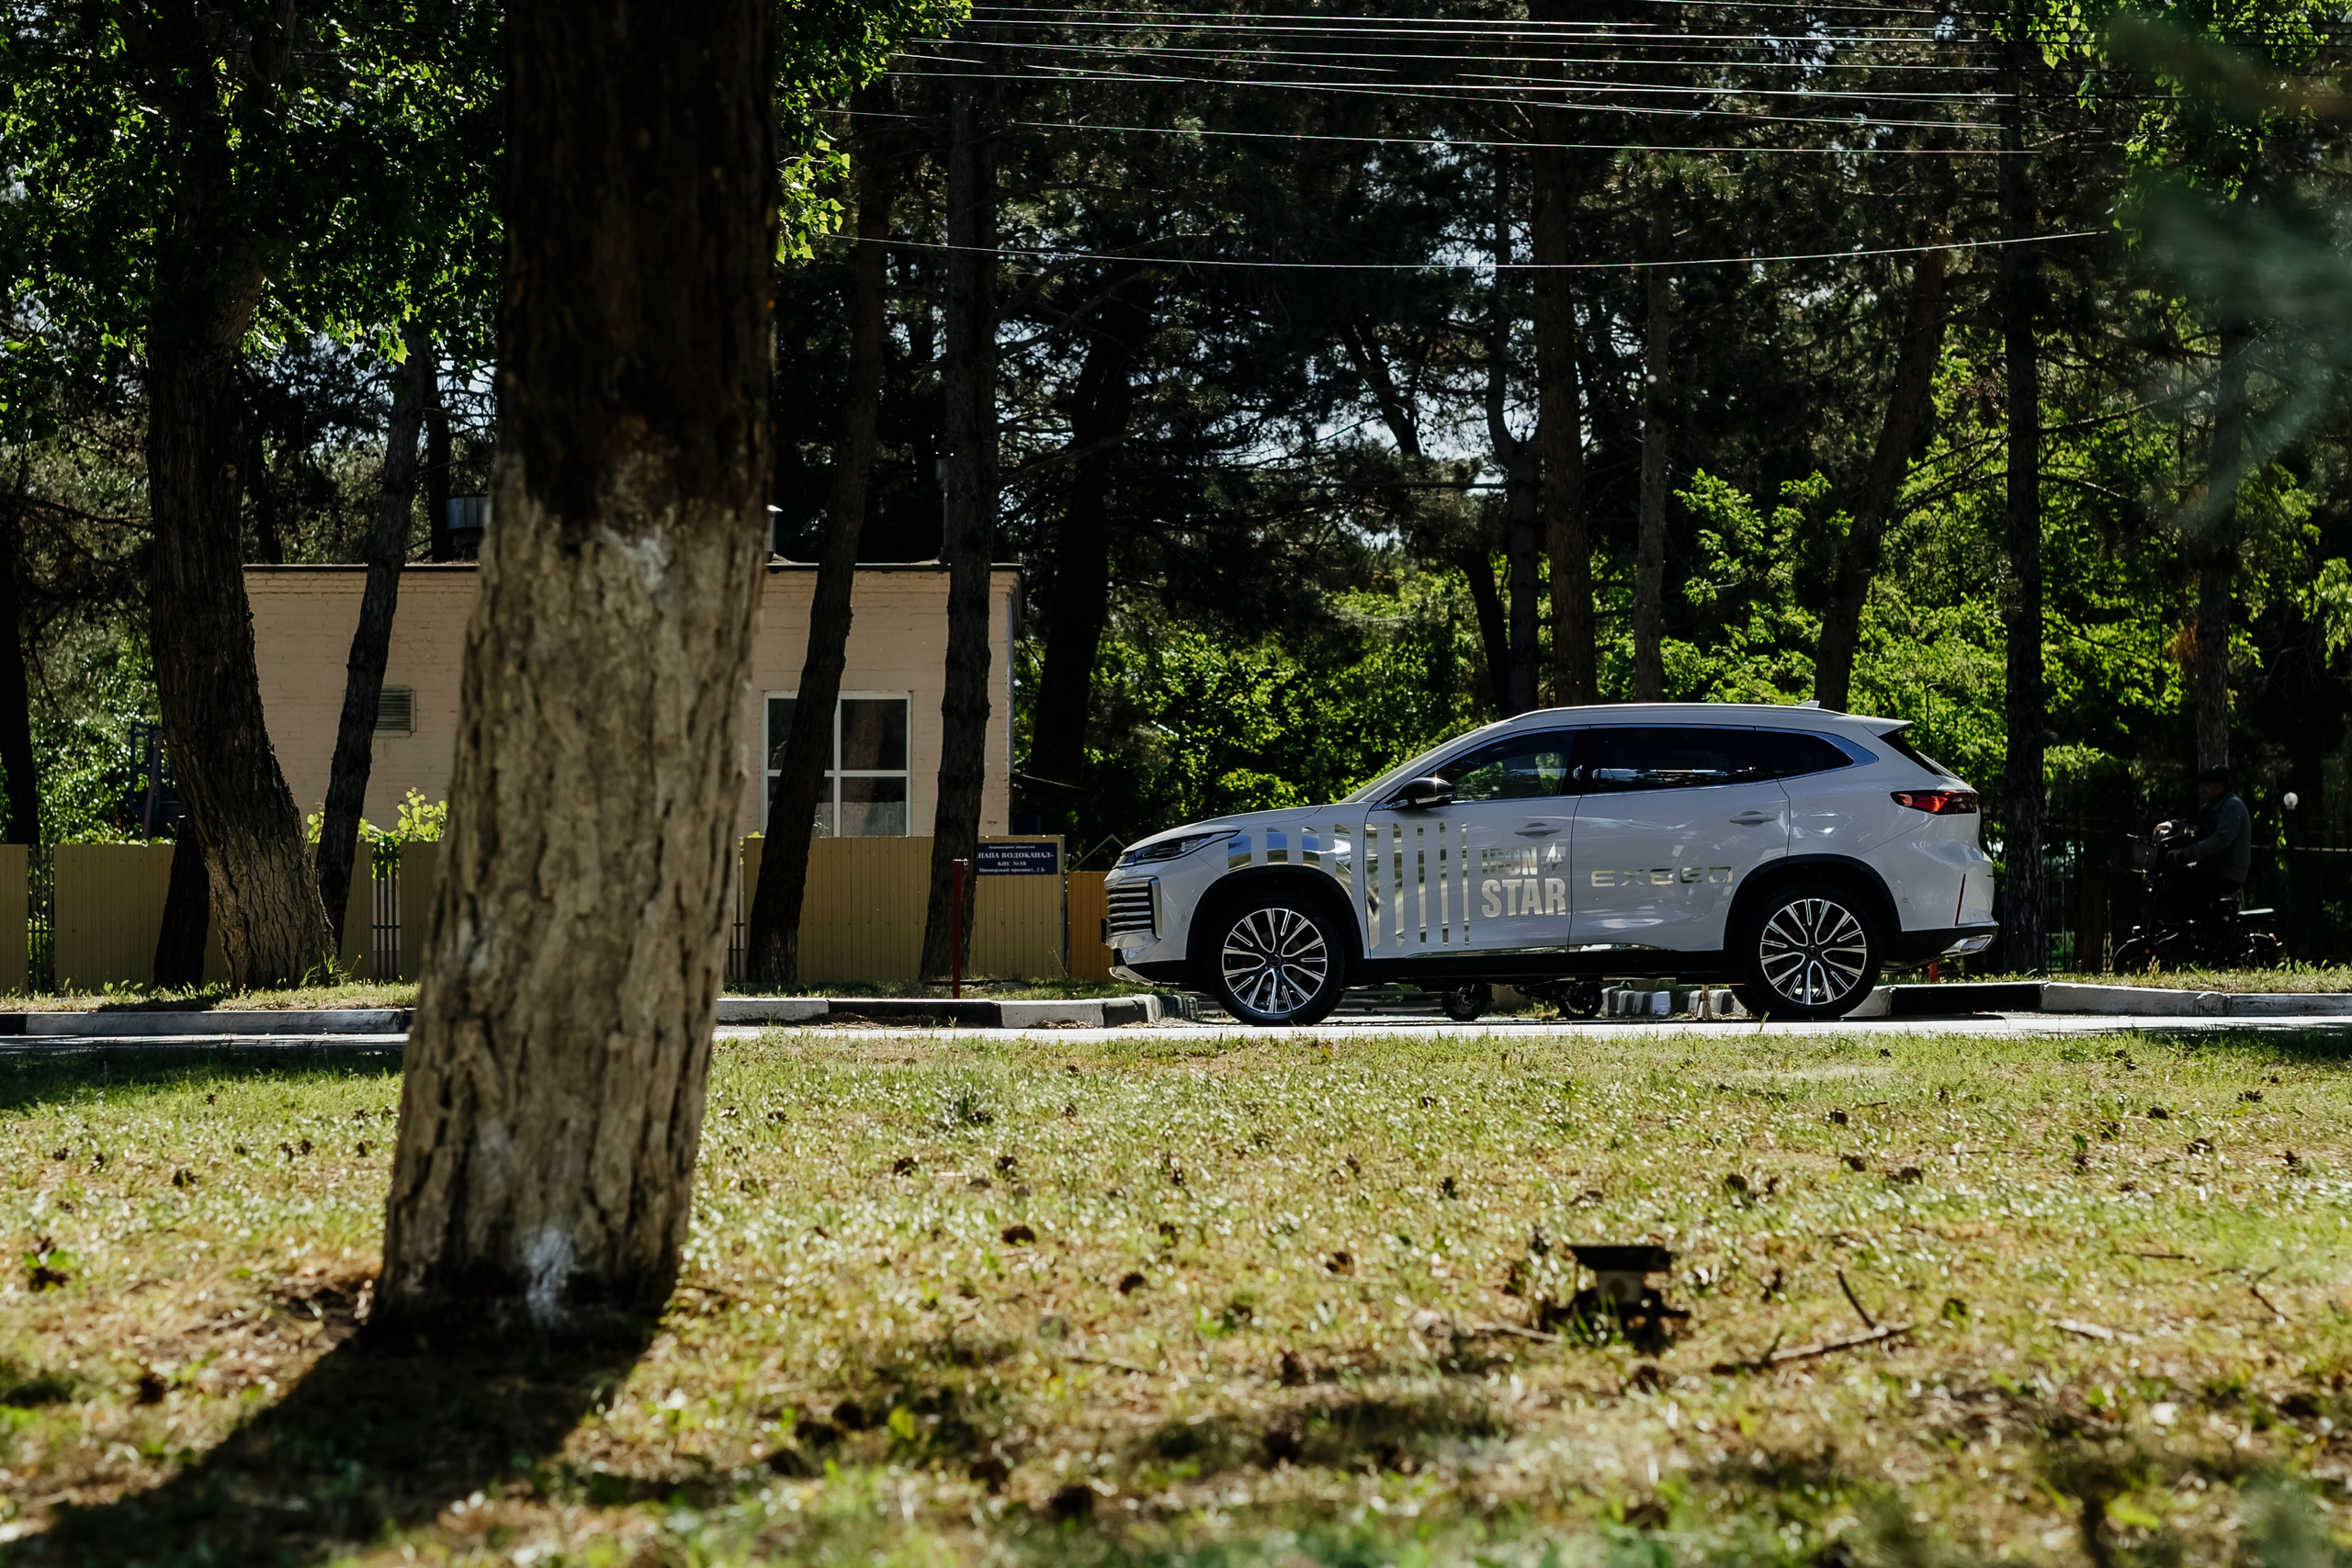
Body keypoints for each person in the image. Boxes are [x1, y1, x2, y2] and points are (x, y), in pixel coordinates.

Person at [2167, 763, 2251, 920]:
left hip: (2226, 872)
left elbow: (2220, 840)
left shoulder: (2233, 807)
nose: (2203, 788)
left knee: (2191, 901)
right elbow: (2201, 835)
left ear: (2221, 785)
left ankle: (2223, 935)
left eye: (2207, 784)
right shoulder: (2213, 806)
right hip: (2210, 867)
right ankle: (2189, 935)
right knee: (2173, 883)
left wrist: (2185, 853)